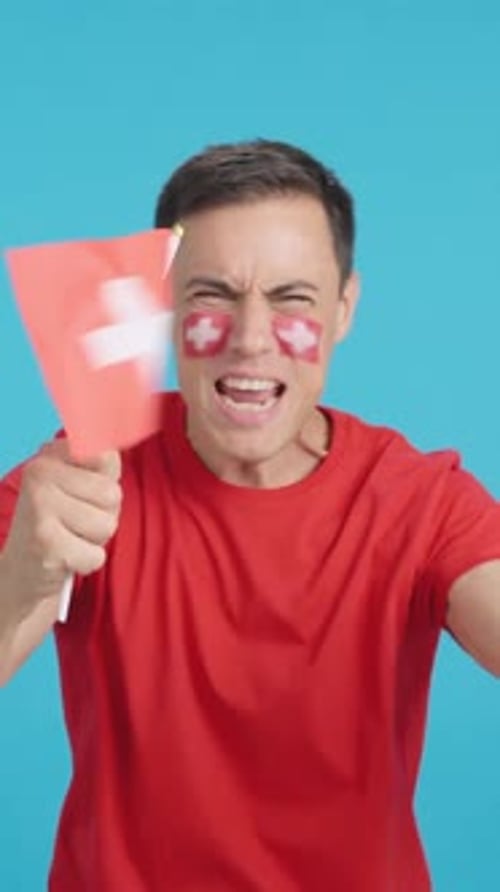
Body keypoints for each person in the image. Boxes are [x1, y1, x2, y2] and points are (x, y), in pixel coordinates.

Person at [0, 139, 499, 892]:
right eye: (212, 296)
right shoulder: (83, 476)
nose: (251, 339)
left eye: (292, 298)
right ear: (165, 306)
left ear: (343, 309)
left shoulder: (419, 500)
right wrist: (25, 578)